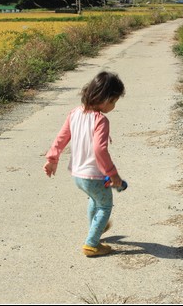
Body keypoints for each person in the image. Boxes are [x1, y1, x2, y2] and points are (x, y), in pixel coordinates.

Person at [43, 71, 126, 257]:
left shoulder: (75, 113)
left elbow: (61, 138)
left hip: (78, 175)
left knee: (94, 200)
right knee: (105, 206)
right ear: (104, 99)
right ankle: (91, 244)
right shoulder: (101, 120)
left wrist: (52, 159)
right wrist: (113, 174)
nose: (113, 106)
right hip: (94, 175)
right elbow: (100, 150)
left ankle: (95, 230)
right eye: (113, 102)